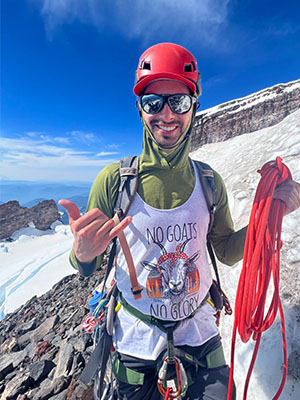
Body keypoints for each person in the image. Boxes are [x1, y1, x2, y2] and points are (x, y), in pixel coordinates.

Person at [59, 43, 300, 400]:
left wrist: (271, 215)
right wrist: (82, 253)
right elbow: (85, 265)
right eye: (154, 102)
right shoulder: (114, 181)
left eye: (179, 102)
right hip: (136, 342)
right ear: (141, 110)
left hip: (200, 334)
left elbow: (227, 251)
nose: (166, 114)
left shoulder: (209, 181)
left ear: (194, 107)